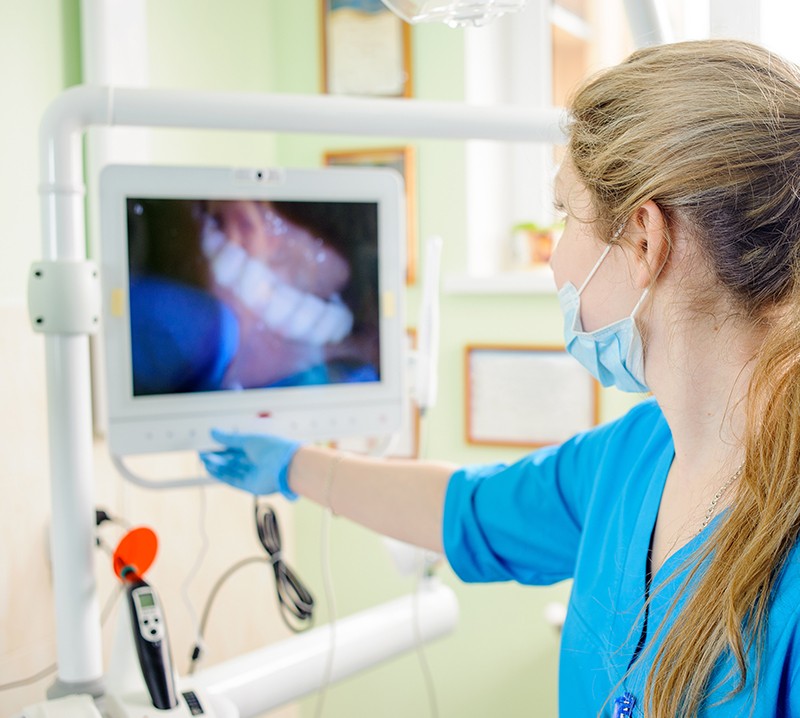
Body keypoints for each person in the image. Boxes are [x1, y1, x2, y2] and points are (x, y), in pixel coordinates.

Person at [200, 39, 800, 717]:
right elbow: (469, 511)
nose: (553, 258)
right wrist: (295, 467)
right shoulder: (636, 457)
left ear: (642, 240)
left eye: (563, 214)